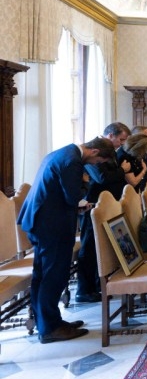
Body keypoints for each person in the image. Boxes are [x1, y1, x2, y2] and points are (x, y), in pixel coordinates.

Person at [17, 137, 115, 343]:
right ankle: (50, 328)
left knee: (43, 274)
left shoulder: (64, 153)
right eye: (98, 162)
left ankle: (48, 321)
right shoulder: (72, 161)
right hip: (51, 224)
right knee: (54, 275)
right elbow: (72, 197)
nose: (95, 165)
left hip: (42, 220)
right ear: (95, 151)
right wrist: (85, 184)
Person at [76, 122, 132, 303]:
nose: (121, 144)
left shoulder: (110, 151)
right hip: (93, 205)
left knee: (101, 248)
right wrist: (122, 171)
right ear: (110, 135)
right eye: (120, 139)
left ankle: (97, 284)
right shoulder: (95, 151)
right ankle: (84, 290)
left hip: (108, 204)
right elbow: (101, 178)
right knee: (90, 247)